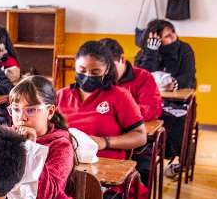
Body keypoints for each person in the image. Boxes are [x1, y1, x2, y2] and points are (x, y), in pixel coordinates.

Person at [57, 41, 146, 161]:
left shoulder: (120, 96)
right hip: (66, 162)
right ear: (75, 66)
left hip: (106, 165)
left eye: (95, 72)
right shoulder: (60, 96)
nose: (88, 76)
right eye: (82, 70)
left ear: (107, 69)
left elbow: (140, 136)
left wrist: (106, 142)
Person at [135, 19, 197, 179]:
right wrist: (152, 52)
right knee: (140, 121)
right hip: (152, 102)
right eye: (167, 36)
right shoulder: (145, 53)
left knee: (176, 123)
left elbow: (188, 76)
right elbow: (141, 77)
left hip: (178, 103)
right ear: (154, 39)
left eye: (173, 33)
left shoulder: (184, 49)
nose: (173, 37)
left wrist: (174, 83)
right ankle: (143, 163)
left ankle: (183, 161)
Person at [101, 37, 162, 122]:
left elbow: (152, 109)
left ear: (122, 59)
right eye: (100, 68)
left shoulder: (143, 77)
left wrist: (117, 111)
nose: (105, 73)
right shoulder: (97, 77)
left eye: (110, 67)